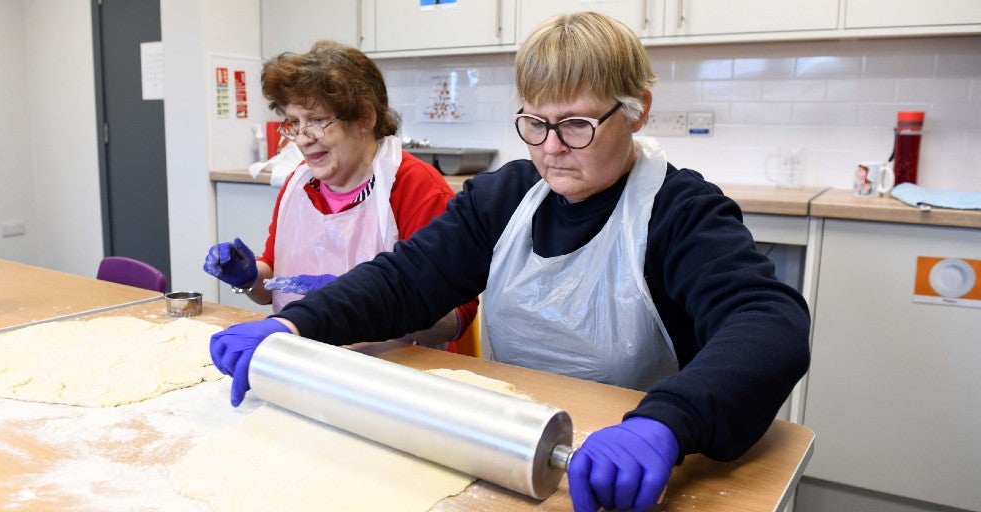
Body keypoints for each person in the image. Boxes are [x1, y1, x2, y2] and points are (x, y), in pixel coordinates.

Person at [210, 12, 810, 512]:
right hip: (511, 448)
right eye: (535, 123)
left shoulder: (680, 211)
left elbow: (768, 323)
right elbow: (406, 278)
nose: (550, 148)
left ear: (637, 109)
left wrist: (667, 424)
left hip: (626, 470)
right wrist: (295, 325)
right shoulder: (506, 197)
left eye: (576, 125)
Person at [203, 40, 477, 348]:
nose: (303, 139)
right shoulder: (299, 186)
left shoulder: (415, 188)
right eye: (295, 123)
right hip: (308, 356)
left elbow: (457, 319)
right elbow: (274, 288)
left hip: (392, 369)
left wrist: (367, 303)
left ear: (365, 117)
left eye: (317, 121)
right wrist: (250, 277)